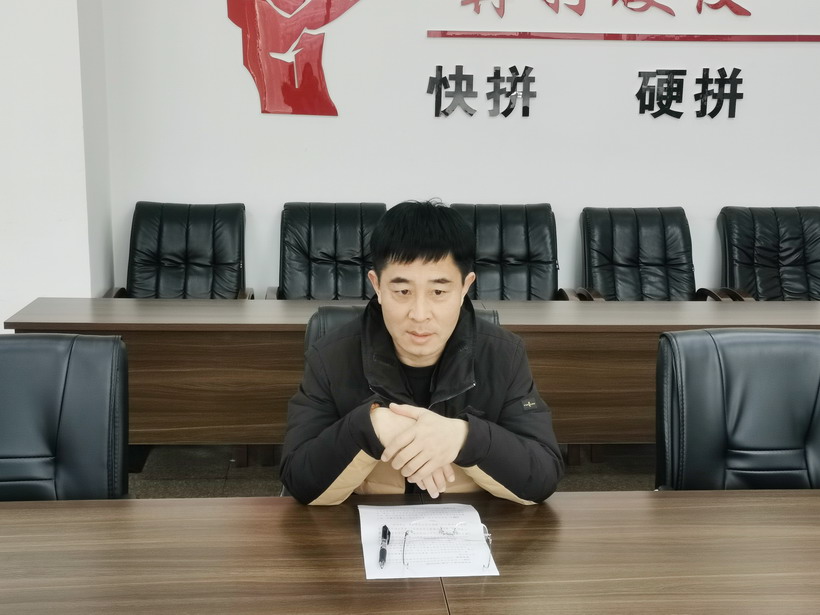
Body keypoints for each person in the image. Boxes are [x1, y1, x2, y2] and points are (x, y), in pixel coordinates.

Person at [280, 200, 564, 505]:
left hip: (474, 528)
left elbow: (543, 474)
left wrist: (464, 437)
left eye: (438, 292)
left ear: (465, 287)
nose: (419, 314)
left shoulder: (504, 356)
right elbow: (298, 478)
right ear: (377, 285)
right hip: (360, 528)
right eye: (402, 291)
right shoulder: (330, 357)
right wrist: (370, 426)